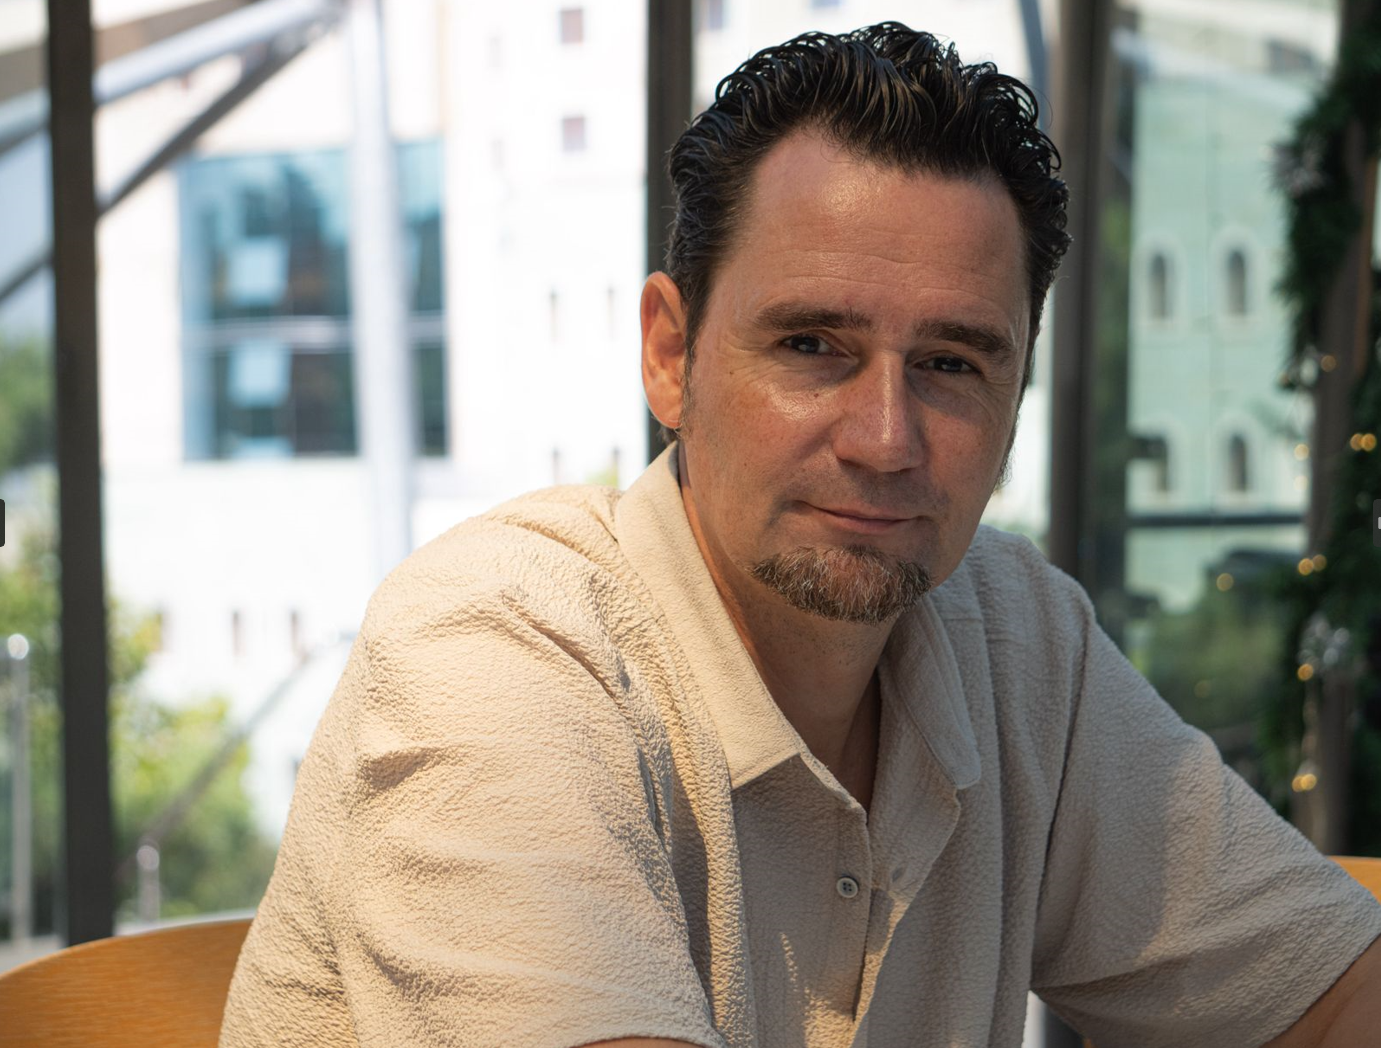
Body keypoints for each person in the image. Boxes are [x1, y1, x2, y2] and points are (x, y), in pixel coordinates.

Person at [219, 24, 1381, 1048]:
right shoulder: (494, 646)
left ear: (1017, 394)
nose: (885, 438)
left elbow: (1334, 998)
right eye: (812, 346)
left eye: (950, 364)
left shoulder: (1016, 639)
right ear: (668, 354)